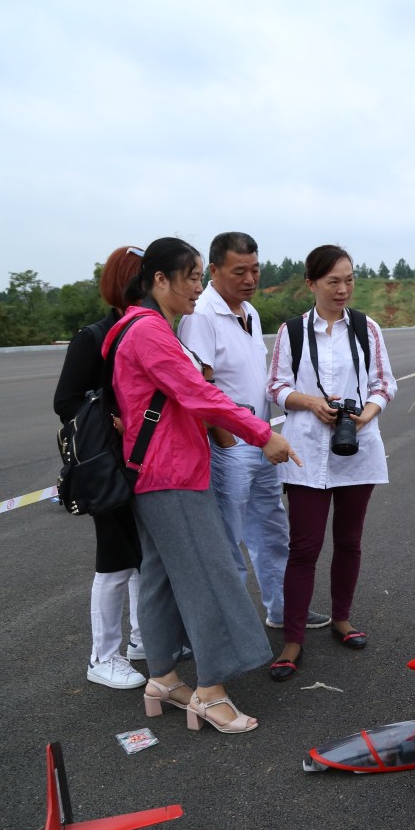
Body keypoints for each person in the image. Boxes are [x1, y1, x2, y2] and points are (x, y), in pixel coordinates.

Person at [107, 237, 301, 734]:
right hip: (171, 473)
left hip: (150, 472)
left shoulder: (135, 327)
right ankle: (209, 692)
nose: (198, 287)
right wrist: (261, 433)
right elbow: (197, 393)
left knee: (159, 578)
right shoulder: (150, 332)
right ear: (160, 281)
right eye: (192, 277)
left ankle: (164, 679)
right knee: (207, 578)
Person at [177, 232, 330, 633]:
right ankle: (227, 626)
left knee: (271, 529)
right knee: (227, 541)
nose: (250, 279)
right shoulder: (201, 316)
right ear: (214, 271)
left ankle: (283, 609)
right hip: (231, 446)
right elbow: (199, 387)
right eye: (239, 271)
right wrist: (226, 442)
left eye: (255, 270)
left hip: (262, 441)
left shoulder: (249, 311)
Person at [266, 245, 397, 681]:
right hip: (304, 449)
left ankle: (342, 618)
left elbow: (384, 383)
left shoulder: (367, 329)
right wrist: (310, 402)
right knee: (303, 547)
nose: (343, 289)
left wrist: (366, 414)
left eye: (349, 279)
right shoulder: (292, 332)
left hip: (356, 446)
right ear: (311, 284)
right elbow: (277, 387)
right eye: (332, 282)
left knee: (349, 540)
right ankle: (293, 638)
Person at [53, 245, 148, 691]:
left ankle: (141, 639)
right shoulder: (94, 336)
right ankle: (103, 656)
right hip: (108, 464)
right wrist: (110, 415)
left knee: (142, 555)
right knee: (114, 560)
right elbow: (66, 401)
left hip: (143, 462)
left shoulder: (150, 329)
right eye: (148, 276)